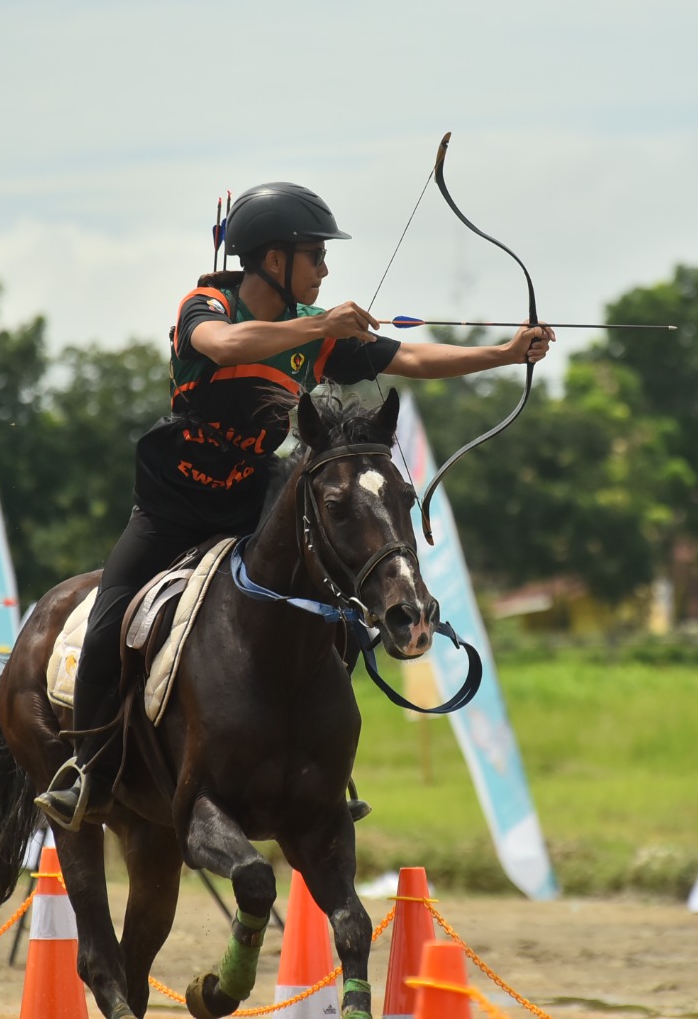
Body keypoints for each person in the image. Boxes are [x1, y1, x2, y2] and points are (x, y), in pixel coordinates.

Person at [35, 181, 554, 830]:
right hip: (174, 506)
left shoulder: (323, 338)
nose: (325, 270)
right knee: (111, 621)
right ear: (273, 259)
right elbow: (225, 346)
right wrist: (321, 324)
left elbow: (411, 355)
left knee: (328, 613)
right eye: (315, 255)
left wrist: (503, 354)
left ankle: (325, 765)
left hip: (254, 499)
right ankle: (88, 772)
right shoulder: (208, 303)